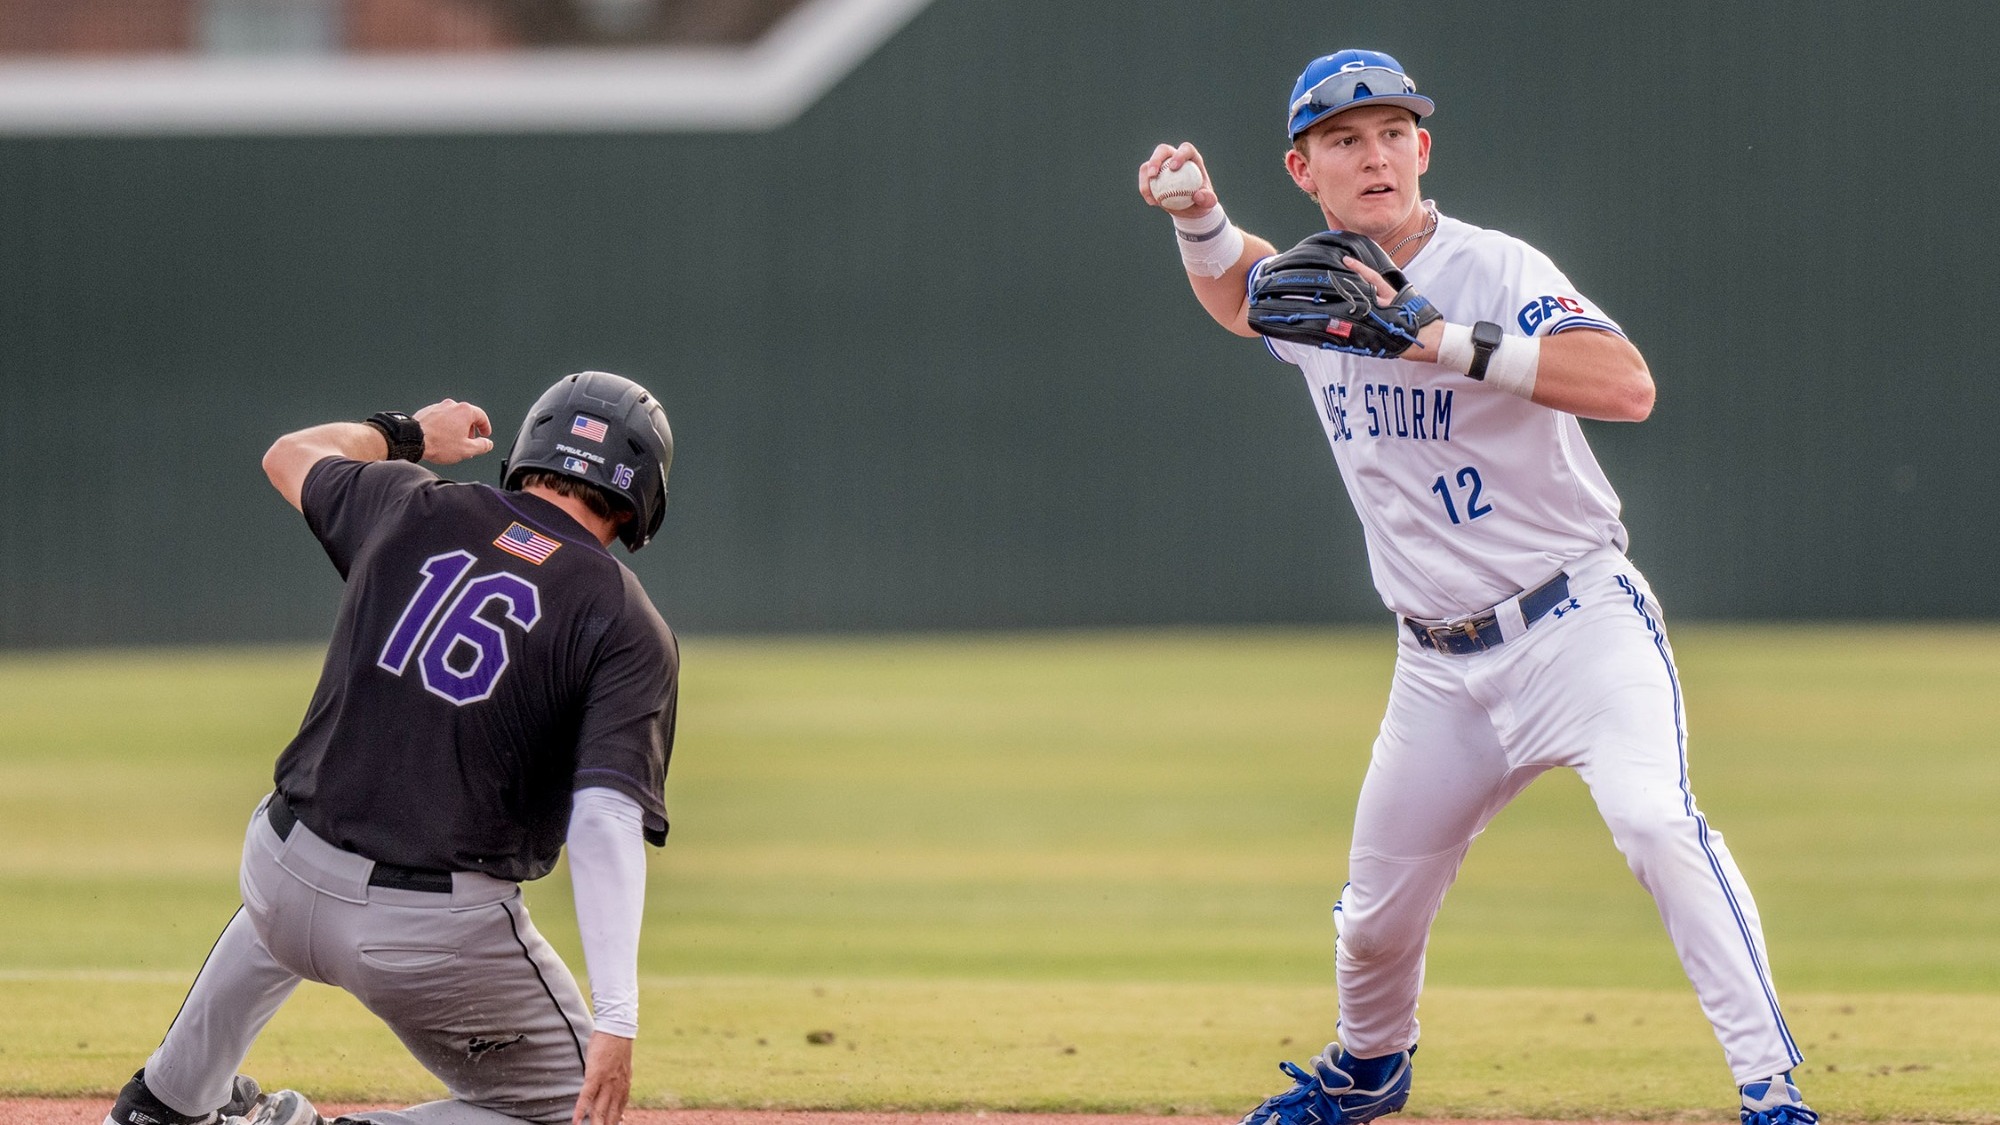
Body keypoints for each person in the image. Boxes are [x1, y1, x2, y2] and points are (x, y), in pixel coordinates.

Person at [1136, 50, 1814, 1125]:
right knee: (1370, 918)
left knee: (1651, 821)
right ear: (1302, 169)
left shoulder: (1494, 268)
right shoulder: (1319, 283)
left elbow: (1623, 384)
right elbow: (1245, 299)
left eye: (1391, 133)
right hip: (1436, 668)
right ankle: (1369, 1069)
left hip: (1574, 622)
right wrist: (1198, 221)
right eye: (1343, 141)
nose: (1374, 155)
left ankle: (1769, 1092)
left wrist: (1444, 340)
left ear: (1422, 149)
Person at [103, 371, 680, 1125]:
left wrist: (406, 434)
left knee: (294, 871)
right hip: (426, 938)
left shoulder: (413, 502)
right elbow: (602, 819)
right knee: (567, 1113)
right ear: (642, 501)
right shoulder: (625, 617)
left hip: (277, 871)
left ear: (531, 450)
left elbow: (290, 454)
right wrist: (618, 1013)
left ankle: (166, 1101)